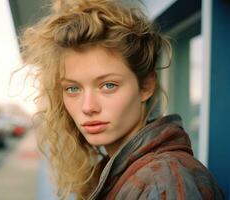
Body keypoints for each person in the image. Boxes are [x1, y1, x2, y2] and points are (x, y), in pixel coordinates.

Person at [21, 0, 224, 199]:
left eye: (108, 85)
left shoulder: (164, 181)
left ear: (146, 86)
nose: (88, 107)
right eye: (73, 88)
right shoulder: (120, 172)